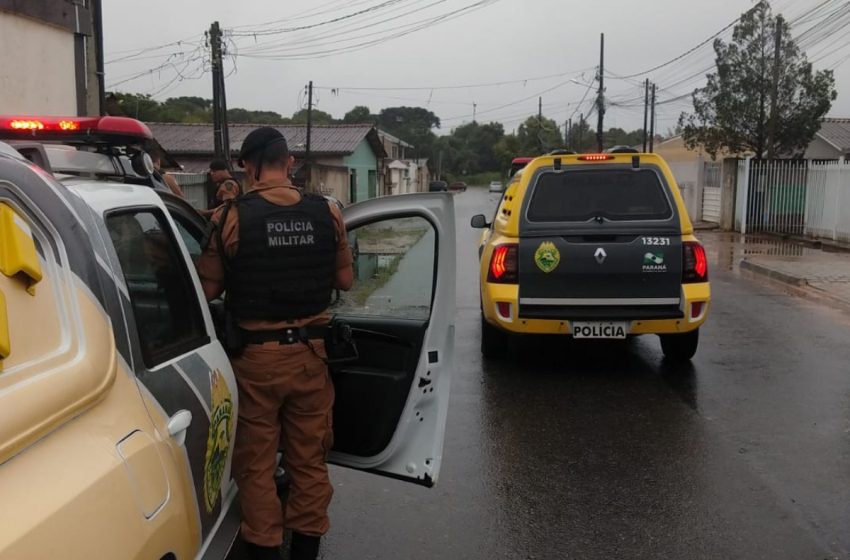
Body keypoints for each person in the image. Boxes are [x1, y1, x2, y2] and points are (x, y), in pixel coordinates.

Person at [197, 127, 354, 560]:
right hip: (311, 357)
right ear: (289, 163)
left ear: (246, 166)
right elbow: (345, 279)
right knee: (309, 460)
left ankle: (264, 549)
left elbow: (207, 290)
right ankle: (305, 551)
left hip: (256, 362)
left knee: (257, 466)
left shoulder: (228, 217)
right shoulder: (328, 213)